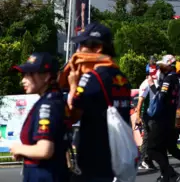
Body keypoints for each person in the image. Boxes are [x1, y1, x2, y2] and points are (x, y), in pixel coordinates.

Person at [65, 23, 132, 182]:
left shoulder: (93, 77)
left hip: (93, 157)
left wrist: (73, 83)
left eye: (83, 44)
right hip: (115, 154)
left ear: (98, 48)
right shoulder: (121, 76)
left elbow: (72, 113)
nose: (78, 50)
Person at [10, 52, 69, 182]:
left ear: (47, 76)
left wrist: (19, 148)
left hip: (44, 175)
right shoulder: (53, 99)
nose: (23, 80)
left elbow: (44, 150)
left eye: (29, 74)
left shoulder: (47, 104)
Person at [134, 67, 157, 170]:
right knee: (148, 137)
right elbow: (140, 101)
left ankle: (147, 159)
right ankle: (143, 160)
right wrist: (138, 116)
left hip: (153, 114)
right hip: (147, 115)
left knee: (153, 137)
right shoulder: (145, 84)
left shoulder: (153, 83)